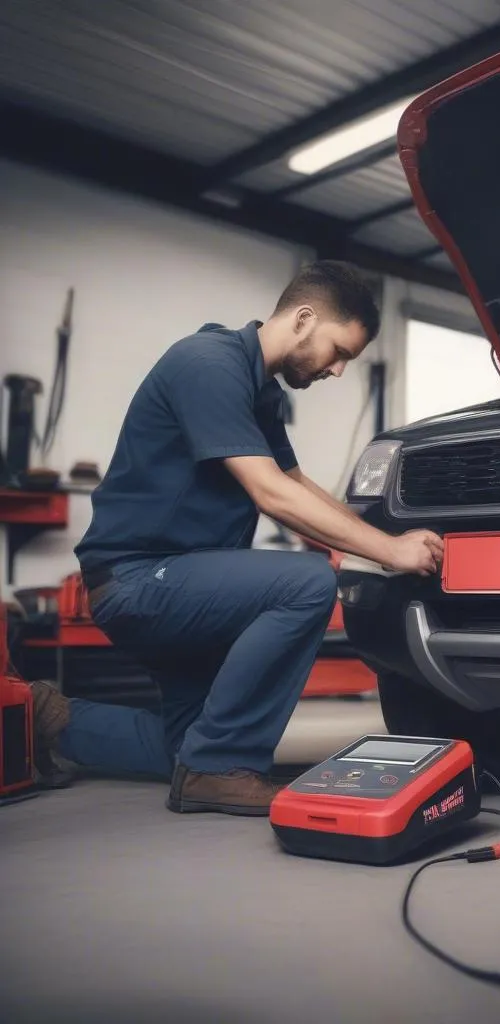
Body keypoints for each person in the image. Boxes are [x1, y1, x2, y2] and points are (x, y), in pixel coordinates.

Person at [28, 260, 443, 816]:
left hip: (186, 583)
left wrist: (376, 536)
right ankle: (219, 768)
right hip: (136, 579)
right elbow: (270, 493)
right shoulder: (207, 363)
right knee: (306, 583)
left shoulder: (260, 391)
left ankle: (41, 718)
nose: (340, 371)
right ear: (302, 318)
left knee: (183, 745)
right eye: (339, 352)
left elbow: (295, 481)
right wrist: (390, 552)